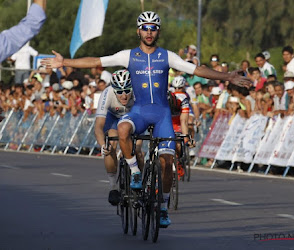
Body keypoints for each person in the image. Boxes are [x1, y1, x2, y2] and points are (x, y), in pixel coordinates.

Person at [42, 11, 251, 227]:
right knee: (122, 130)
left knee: (167, 163)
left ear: (158, 31)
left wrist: (228, 77)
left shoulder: (167, 56)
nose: (149, 32)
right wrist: (64, 61)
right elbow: (96, 60)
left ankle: (163, 207)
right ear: (138, 31)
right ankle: (134, 172)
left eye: (153, 28)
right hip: (139, 113)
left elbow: (198, 69)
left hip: (162, 116)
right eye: (145, 28)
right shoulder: (128, 56)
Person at [94, 69, 138, 206]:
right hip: (113, 118)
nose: (124, 95)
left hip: (133, 117)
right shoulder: (107, 93)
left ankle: (139, 179)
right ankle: (113, 186)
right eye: (119, 92)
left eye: (127, 91)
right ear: (114, 90)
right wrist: (103, 146)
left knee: (138, 148)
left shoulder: (138, 93)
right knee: (111, 143)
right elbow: (98, 127)